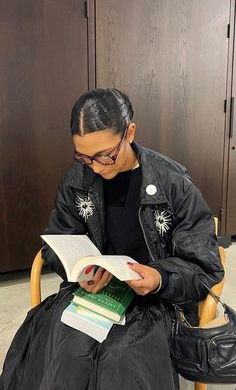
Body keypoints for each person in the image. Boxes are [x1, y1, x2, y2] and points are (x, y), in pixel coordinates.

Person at [0, 88, 224, 390]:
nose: (95, 166)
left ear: (129, 133)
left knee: (122, 360)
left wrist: (159, 277)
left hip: (154, 302)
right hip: (93, 294)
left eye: (105, 155)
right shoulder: (77, 179)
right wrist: (79, 271)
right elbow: (56, 241)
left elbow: (204, 265)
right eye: (83, 156)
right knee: (68, 354)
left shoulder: (173, 184)